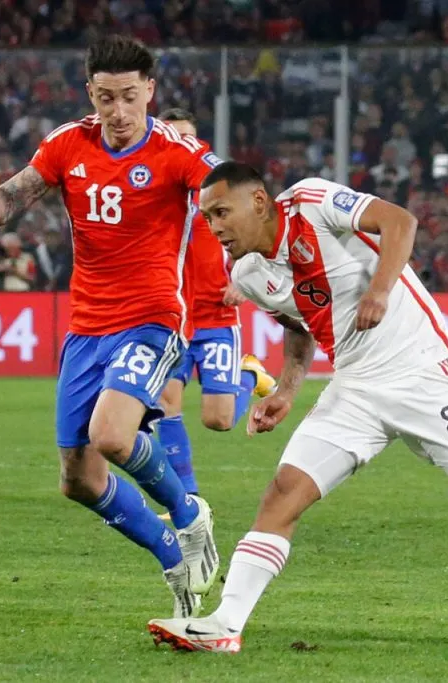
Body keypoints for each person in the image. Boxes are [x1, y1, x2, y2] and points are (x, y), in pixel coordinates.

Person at [148, 162, 448, 653]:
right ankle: (225, 624)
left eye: (222, 212)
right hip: (354, 388)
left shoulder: (310, 202)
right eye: (207, 218)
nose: (214, 226)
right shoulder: (246, 274)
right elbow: (298, 325)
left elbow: (400, 222)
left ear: (259, 201)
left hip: (421, 373)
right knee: (283, 493)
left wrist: (379, 290)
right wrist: (286, 390)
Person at [0, 35, 220, 619]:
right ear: (90, 93)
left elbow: (225, 190)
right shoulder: (67, 145)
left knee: (111, 434)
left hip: (153, 320)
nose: (119, 112)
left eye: (130, 97)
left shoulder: (175, 153)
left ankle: (188, 516)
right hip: (86, 329)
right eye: (106, 98)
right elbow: (10, 202)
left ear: (150, 92)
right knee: (78, 478)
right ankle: (171, 556)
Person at [155, 108, 276, 501]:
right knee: (165, 405)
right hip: (172, 318)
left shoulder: (220, 191)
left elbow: (260, 232)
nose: (180, 144)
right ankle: (185, 501)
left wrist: (245, 277)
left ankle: (250, 376)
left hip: (215, 314)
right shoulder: (151, 192)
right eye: (171, 137)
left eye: (186, 137)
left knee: (218, 420)